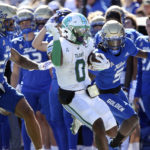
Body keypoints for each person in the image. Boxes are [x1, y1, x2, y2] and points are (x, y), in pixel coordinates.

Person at [45, 12, 118, 150]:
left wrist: (99, 60)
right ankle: (79, 117)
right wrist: (55, 36)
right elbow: (56, 61)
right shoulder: (57, 43)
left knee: (113, 130)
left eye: (84, 30)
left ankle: (79, 119)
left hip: (88, 90)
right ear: (68, 30)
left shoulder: (87, 42)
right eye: (79, 30)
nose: (83, 34)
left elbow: (90, 59)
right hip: (70, 95)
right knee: (98, 125)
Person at [33, 8, 94, 150]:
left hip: (71, 84)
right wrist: (49, 24)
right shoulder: (56, 40)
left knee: (69, 121)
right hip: (56, 84)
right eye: (59, 23)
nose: (61, 26)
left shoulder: (80, 42)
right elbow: (36, 45)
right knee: (55, 120)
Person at [0, 3, 52, 150]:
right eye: (8, 22)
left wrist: (40, 66)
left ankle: (39, 148)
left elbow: (19, 60)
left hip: (2, 86)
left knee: (28, 113)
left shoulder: (6, 37)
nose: (12, 25)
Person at [92, 20, 150, 148]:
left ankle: (115, 144)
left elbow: (140, 53)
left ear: (123, 38)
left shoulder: (128, 44)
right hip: (104, 94)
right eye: (111, 41)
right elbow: (89, 77)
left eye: (118, 40)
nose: (115, 45)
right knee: (133, 119)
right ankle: (114, 144)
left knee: (125, 125)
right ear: (104, 40)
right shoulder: (100, 54)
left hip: (118, 91)